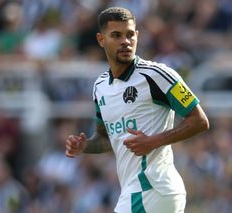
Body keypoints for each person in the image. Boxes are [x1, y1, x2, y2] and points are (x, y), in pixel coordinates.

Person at [65, 7, 209, 213]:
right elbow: (108, 139)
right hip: (135, 190)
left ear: (137, 36)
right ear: (101, 39)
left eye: (130, 35)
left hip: (153, 187)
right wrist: (84, 146)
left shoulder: (158, 75)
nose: (125, 41)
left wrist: (153, 141)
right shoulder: (100, 87)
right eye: (116, 35)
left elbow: (200, 121)